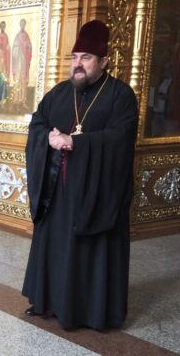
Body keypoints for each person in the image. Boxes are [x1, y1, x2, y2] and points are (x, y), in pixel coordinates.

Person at [23, 20, 138, 330]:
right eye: (75, 58)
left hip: (96, 194)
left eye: (86, 58)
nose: (78, 65)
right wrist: (46, 137)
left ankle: (91, 312)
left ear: (104, 61)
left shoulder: (121, 96)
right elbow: (37, 123)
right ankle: (48, 300)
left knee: (90, 251)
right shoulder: (60, 92)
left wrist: (76, 142)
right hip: (57, 189)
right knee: (56, 246)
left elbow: (121, 138)